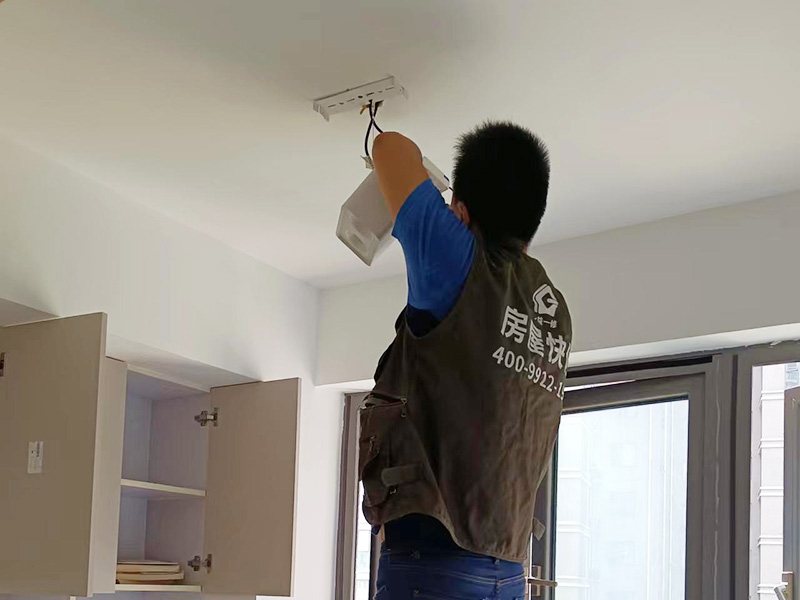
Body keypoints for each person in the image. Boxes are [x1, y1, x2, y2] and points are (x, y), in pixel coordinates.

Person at [359, 121, 572, 599]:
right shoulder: (553, 312)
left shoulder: (457, 261)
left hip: (435, 564)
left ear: (461, 210)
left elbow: (389, 147)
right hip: (508, 571)